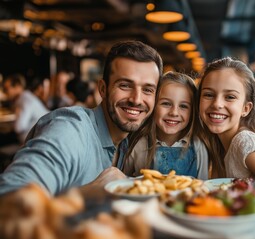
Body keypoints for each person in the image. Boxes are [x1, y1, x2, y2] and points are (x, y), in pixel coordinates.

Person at [0, 40, 163, 196]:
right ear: (103, 89)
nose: (136, 99)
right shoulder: (70, 130)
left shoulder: (125, 144)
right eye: (125, 86)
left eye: (148, 90)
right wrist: (87, 195)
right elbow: (10, 200)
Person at [197, 57, 255, 196]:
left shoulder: (244, 141)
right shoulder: (218, 143)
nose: (217, 104)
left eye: (230, 97)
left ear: (246, 109)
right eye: (208, 94)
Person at [123, 71, 208, 180]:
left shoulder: (198, 146)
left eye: (183, 106)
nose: (174, 112)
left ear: (192, 112)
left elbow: (204, 186)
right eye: (166, 103)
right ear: (153, 105)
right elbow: (123, 183)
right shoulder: (139, 145)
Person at [2, 74, 49, 144]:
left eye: (6, 89)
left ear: (17, 86)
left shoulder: (25, 100)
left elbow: (19, 127)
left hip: (35, 145)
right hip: (35, 141)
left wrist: (5, 127)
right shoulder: (25, 97)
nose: (5, 93)